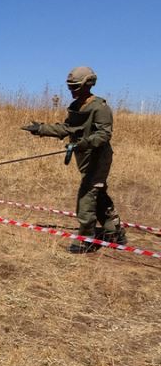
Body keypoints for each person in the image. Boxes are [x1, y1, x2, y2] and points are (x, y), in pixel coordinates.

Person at [21, 66, 127, 253]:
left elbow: (103, 135)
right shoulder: (76, 107)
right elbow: (67, 129)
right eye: (70, 86)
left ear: (88, 84)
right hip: (84, 157)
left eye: (75, 86)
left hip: (98, 158)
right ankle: (114, 232)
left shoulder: (100, 108)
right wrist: (40, 129)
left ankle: (86, 239)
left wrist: (82, 144)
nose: (72, 90)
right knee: (98, 193)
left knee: (86, 196)